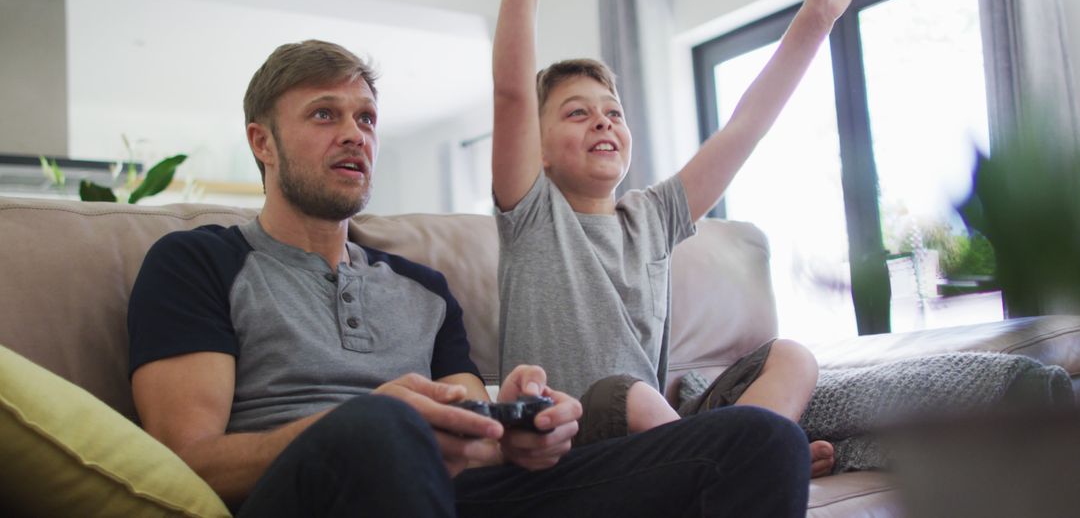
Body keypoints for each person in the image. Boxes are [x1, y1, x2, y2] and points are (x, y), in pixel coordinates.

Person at [127, 39, 812, 517]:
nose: (355, 134)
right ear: (261, 142)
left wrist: (516, 431)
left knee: (759, 443)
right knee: (381, 430)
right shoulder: (197, 263)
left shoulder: (423, 287)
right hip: (310, 495)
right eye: (323, 115)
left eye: (365, 117)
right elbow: (188, 462)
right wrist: (369, 417)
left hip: (464, 500)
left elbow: (472, 431)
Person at [492, 0, 865, 478]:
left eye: (613, 112)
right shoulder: (531, 215)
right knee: (631, 394)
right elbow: (510, 94)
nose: (601, 121)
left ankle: (739, 457)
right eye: (577, 113)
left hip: (660, 439)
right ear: (539, 150)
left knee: (792, 357)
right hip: (572, 445)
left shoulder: (653, 215)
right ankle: (749, 465)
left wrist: (818, 15)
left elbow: (746, 126)